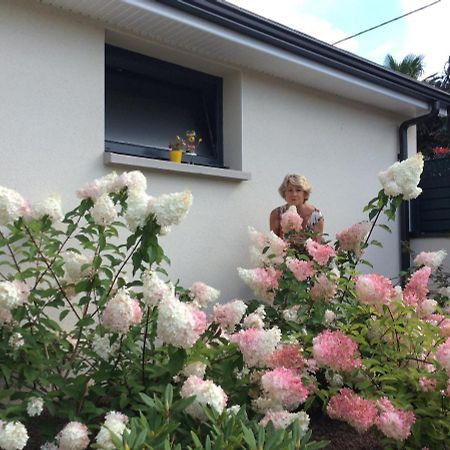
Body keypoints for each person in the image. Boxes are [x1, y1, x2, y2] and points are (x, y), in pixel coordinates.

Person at [270, 174, 324, 241]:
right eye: (290, 190)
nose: (294, 194)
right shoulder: (276, 214)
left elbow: (317, 248)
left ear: (305, 193)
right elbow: (273, 243)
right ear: (284, 193)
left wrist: (301, 243)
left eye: (298, 190)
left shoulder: (316, 217)